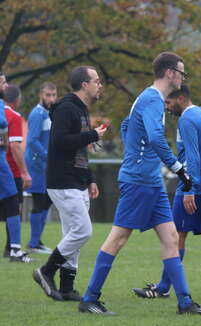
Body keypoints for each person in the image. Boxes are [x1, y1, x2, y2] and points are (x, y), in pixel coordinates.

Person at [78, 52, 201, 315]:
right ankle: (89, 298)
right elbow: (153, 137)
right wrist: (178, 168)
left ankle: (185, 302)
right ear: (169, 73)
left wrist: (139, 157)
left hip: (150, 181)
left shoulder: (148, 98)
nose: (183, 78)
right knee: (118, 238)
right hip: (140, 181)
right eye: (182, 72)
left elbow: (128, 126)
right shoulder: (153, 98)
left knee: (171, 237)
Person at [133, 84, 201, 301]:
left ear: (181, 98)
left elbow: (193, 158)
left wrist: (188, 189)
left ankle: (164, 287)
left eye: (168, 102)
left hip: (194, 187)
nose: (166, 107)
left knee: (175, 236)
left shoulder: (187, 119)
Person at [32, 66, 107, 301]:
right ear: (84, 84)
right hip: (62, 180)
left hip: (77, 180)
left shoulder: (82, 110)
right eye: (97, 80)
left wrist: (90, 179)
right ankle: (46, 271)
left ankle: (66, 287)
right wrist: (93, 135)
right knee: (83, 231)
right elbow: (61, 142)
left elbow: (80, 151)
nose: (100, 84)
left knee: (71, 233)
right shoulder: (66, 108)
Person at [0, 75, 32, 263]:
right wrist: (25, 172)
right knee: (12, 201)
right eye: (3, 82)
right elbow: (12, 144)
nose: (6, 86)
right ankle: (15, 250)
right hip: (3, 163)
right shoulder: (9, 114)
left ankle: (13, 249)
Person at [25, 82, 57, 254]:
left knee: (47, 201)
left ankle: (37, 241)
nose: (51, 99)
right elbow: (32, 141)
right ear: (41, 95)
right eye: (48, 95)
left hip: (46, 165)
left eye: (53, 95)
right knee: (40, 202)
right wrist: (48, 155)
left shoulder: (50, 113)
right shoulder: (37, 114)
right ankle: (33, 243)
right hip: (37, 166)